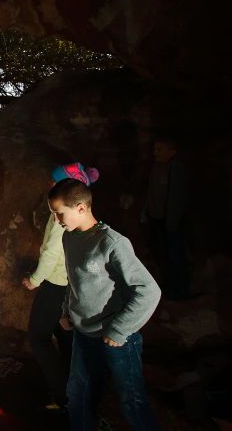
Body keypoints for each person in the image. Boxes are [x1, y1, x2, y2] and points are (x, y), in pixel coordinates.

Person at [49, 179, 161, 430]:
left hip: (118, 339)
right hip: (84, 334)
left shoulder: (113, 243)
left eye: (59, 213)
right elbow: (74, 279)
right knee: (77, 392)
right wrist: (67, 310)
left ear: (80, 207)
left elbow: (149, 290)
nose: (57, 220)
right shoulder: (69, 239)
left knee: (131, 399)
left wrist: (119, 330)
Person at [22, 162, 99, 411]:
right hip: (67, 284)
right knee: (64, 335)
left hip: (56, 283)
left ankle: (63, 395)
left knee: (38, 336)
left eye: (55, 182)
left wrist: (35, 280)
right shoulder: (68, 214)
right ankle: (73, 387)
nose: (50, 185)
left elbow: (51, 252)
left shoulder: (61, 217)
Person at [144, 137, 189, 300]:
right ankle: (169, 286)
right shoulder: (156, 167)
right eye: (155, 149)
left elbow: (176, 196)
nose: (155, 152)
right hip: (157, 219)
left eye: (160, 149)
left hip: (170, 222)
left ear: (172, 151)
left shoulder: (175, 168)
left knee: (175, 255)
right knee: (163, 254)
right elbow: (152, 191)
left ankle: (180, 290)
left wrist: (172, 221)